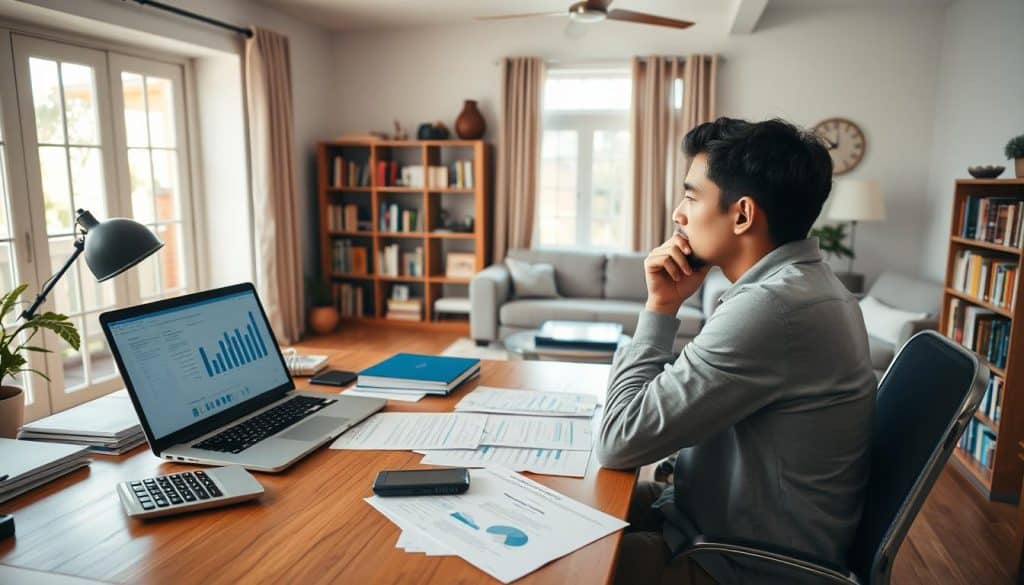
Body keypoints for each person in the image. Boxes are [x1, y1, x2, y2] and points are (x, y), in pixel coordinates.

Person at [596, 117, 876, 585]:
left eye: (690, 196)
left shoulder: (771, 308)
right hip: (715, 519)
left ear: (743, 214)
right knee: (570, 501)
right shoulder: (805, 286)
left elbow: (620, 440)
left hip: (740, 561)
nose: (677, 215)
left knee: (563, 563)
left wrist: (660, 306)